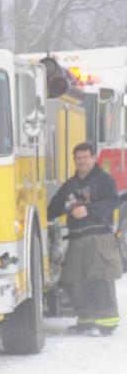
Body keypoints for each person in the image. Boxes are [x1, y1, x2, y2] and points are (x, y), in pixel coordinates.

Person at [47, 142, 121, 336]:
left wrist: (88, 210)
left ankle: (107, 322)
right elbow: (54, 207)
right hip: (76, 239)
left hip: (99, 237)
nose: (82, 162)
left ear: (93, 157)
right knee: (73, 281)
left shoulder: (104, 180)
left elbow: (113, 201)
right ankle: (86, 318)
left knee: (100, 279)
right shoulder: (70, 185)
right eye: (78, 158)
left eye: (85, 158)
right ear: (74, 160)